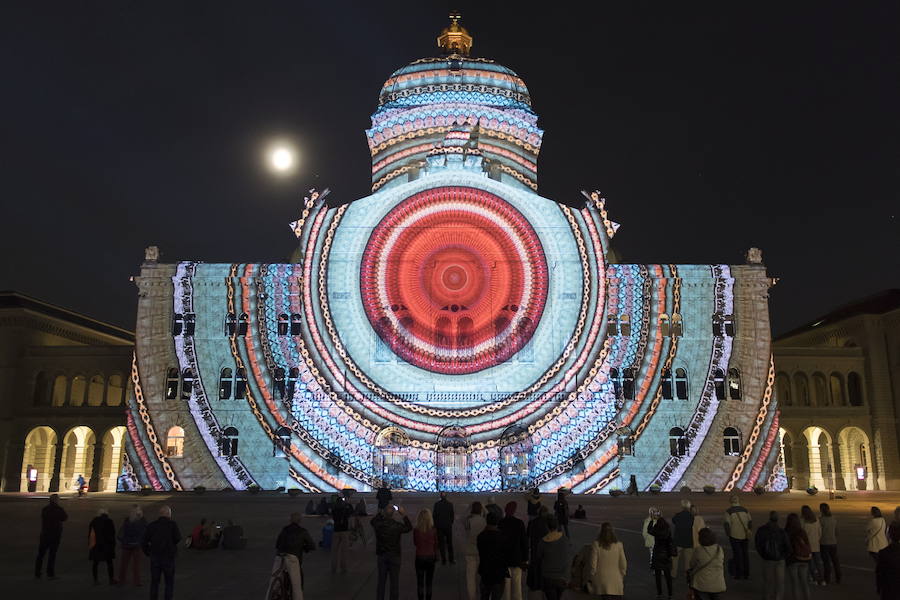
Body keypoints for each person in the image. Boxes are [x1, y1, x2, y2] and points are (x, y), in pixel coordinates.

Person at [371, 504, 413, 600]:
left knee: (381, 582)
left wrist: (380, 514)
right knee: (394, 583)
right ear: (394, 514)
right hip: (394, 556)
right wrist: (404, 515)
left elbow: (372, 521)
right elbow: (409, 527)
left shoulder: (379, 525)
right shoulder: (397, 526)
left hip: (382, 555)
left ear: (384, 513)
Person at [142, 505, 181, 600]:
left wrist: (148, 552)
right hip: (168, 557)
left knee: (155, 582)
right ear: (168, 514)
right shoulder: (172, 525)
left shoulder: (152, 525)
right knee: (169, 582)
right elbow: (177, 538)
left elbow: (144, 541)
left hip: (155, 557)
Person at [274, 512, 315, 600]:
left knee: (274, 577)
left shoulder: (284, 529)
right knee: (297, 584)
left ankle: (273, 593)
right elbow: (312, 545)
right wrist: (305, 547)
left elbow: (277, 544)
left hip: (280, 556)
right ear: (300, 521)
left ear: (290, 520)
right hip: (293, 558)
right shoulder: (303, 531)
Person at [754, 511, 789, 600]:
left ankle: (767, 597)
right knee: (780, 582)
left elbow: (758, 544)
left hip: (768, 559)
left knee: (768, 581)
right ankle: (778, 597)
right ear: (777, 519)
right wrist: (783, 556)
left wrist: (764, 555)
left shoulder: (762, 530)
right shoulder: (781, 531)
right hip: (779, 559)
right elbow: (787, 546)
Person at [587, 522, 627, 599]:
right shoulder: (619, 545)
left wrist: (591, 578)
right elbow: (623, 564)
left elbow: (593, 565)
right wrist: (621, 575)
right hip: (616, 581)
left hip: (601, 582)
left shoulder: (596, 545)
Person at [536, 515, 571, 600]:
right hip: (562, 577)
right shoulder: (564, 539)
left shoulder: (543, 541)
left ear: (547, 527)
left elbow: (538, 557)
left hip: (548, 576)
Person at [34, 493, 67, 580]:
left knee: (41, 554)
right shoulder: (59, 509)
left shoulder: (45, 509)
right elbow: (64, 518)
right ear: (56, 501)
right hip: (55, 535)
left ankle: (37, 572)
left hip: (45, 534)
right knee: (52, 555)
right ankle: (50, 573)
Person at [498, 501, 527, 600]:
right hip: (516, 559)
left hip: (504, 560)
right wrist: (525, 559)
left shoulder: (501, 523)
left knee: (506, 588)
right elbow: (524, 543)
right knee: (517, 587)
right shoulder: (519, 523)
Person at [477, 512, 508, 600]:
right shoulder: (502, 537)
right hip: (498, 573)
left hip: (485, 572)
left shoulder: (481, 536)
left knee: (484, 596)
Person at [689, 528, 725, 600]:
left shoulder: (698, 550)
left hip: (702, 583)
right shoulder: (719, 549)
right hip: (717, 582)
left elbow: (691, 564)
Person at [723, 495, 752, 580]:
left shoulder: (728, 512)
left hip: (734, 535)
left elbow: (727, 524)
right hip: (745, 535)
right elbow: (750, 522)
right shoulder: (745, 510)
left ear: (730, 501)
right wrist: (749, 531)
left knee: (737, 555)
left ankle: (738, 574)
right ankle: (746, 573)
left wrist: (728, 534)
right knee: (745, 554)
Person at [118, 504, 147, 586]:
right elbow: (145, 531)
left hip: (126, 545)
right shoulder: (141, 521)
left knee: (124, 564)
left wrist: (123, 541)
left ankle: (121, 580)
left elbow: (121, 533)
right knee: (136, 565)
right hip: (137, 545)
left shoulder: (127, 520)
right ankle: (136, 581)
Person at [784, 513, 811, 600]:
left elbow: (786, 546)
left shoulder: (787, 532)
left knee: (795, 584)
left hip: (793, 560)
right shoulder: (802, 531)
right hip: (804, 559)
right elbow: (807, 544)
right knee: (804, 583)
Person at [413, 508, 438, 600]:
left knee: (420, 582)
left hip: (419, 556)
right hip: (430, 557)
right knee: (429, 582)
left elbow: (415, 543)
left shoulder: (416, 530)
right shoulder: (433, 530)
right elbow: (436, 544)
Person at [649, 517, 677, 600]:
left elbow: (649, 530)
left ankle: (659, 593)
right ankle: (670, 593)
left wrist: (651, 521)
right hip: (666, 555)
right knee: (668, 576)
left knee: (658, 576)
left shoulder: (656, 530)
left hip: (657, 554)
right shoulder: (667, 530)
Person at [464, 501, 487, 600]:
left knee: (470, 578)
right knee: (484, 578)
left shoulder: (468, 521)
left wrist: (469, 507)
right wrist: (484, 507)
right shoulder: (485, 521)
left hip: (470, 552)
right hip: (483, 552)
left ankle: (472, 597)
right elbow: (489, 515)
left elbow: (462, 518)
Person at [89, 508, 117, 585]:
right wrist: (113, 544)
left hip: (96, 545)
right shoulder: (109, 521)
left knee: (95, 563)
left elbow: (90, 534)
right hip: (107, 545)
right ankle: (111, 579)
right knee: (109, 563)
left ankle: (95, 580)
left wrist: (90, 544)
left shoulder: (93, 521)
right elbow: (112, 534)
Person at [526, 505, 550, 594]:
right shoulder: (548, 523)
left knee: (535, 566)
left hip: (534, 547)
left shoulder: (532, 522)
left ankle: (535, 584)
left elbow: (527, 535)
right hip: (545, 548)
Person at [800, 505, 824, 585]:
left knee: (811, 564)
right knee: (818, 563)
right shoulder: (816, 520)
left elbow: (802, 534)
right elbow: (820, 532)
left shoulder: (803, 522)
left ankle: (814, 579)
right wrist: (817, 539)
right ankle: (822, 579)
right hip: (816, 545)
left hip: (808, 546)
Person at [671, 500, 694, 580]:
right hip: (689, 540)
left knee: (675, 559)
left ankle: (673, 574)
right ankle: (687, 574)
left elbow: (673, 521)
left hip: (678, 540)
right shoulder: (692, 516)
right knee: (688, 560)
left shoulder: (677, 515)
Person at [876, 524, 900, 600]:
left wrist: (879, 588)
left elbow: (879, 573)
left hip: (888, 590)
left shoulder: (883, 553)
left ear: (889, 535)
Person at [331, 496, 354, 573]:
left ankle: (333, 567)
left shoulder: (334, 510)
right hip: (344, 530)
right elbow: (352, 512)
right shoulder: (346, 509)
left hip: (336, 530)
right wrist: (348, 504)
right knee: (344, 551)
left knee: (334, 551)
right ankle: (343, 567)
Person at [818, 503, 840, 584]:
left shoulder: (821, 520)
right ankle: (838, 577)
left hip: (824, 543)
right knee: (835, 561)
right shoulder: (833, 519)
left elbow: (819, 532)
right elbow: (837, 532)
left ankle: (827, 578)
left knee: (826, 562)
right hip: (833, 542)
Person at [433, 491, 455, 565]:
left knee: (441, 544)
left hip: (439, 526)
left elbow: (434, 515)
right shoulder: (450, 504)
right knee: (450, 543)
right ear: (446, 497)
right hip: (448, 526)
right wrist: (450, 523)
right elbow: (452, 516)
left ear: (440, 496)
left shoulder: (437, 504)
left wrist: (436, 524)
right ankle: (451, 559)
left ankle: (444, 560)